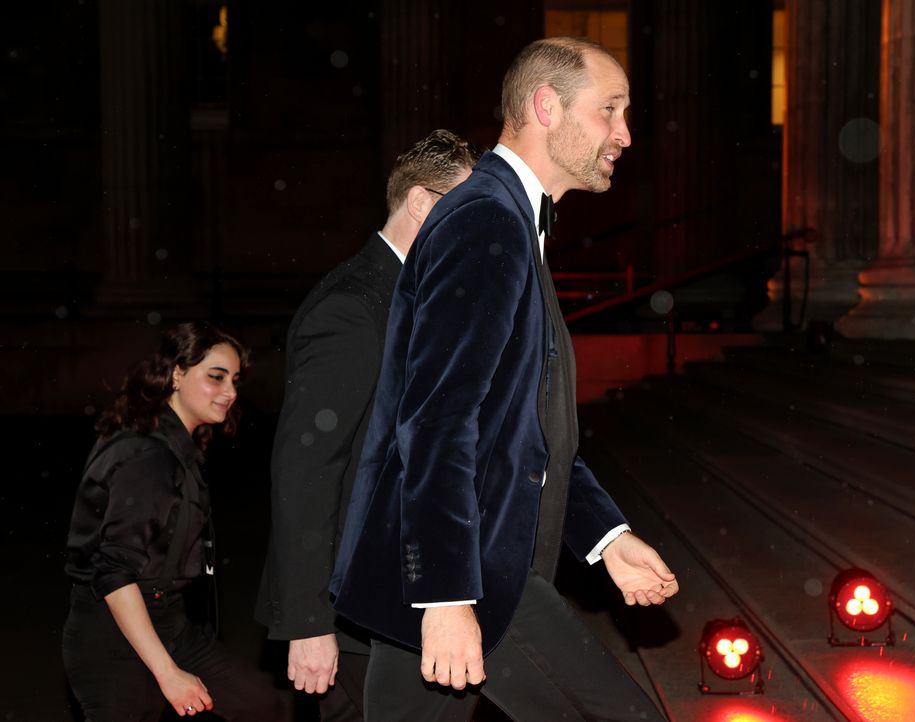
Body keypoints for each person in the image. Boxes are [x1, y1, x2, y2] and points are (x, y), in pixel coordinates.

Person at [329, 37, 678, 721]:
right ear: (546, 105)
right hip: (475, 572)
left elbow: (523, 433)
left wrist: (606, 539)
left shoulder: (509, 219)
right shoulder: (488, 219)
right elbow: (437, 418)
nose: (625, 134)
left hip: (467, 564)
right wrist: (447, 595)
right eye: (610, 109)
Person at [255, 129, 482, 721]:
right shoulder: (354, 306)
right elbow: (307, 467)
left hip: (393, 596)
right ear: (419, 202)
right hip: (350, 610)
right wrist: (308, 623)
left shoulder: (415, 295)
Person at [62, 322, 287, 722]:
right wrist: (167, 674)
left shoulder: (170, 443)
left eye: (235, 380)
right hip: (116, 637)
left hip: (172, 623)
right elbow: (113, 574)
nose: (231, 392)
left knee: (261, 705)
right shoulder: (148, 455)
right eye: (216, 377)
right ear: (177, 374)